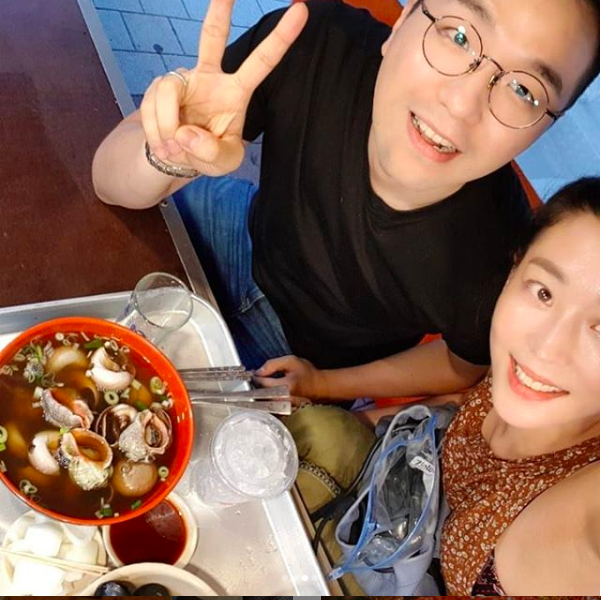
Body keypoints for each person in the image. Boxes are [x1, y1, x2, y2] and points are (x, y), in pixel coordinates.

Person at [92, 0, 599, 403]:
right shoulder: (316, 41)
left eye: (524, 91)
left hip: (297, 360)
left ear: (542, 130)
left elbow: (461, 365)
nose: (460, 104)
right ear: (403, 21)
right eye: (459, 36)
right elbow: (106, 181)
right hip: (238, 226)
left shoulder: (497, 256)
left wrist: (323, 384)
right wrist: (172, 154)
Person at [438, 177, 600, 595]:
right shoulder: (514, 372)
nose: (545, 348)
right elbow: (461, 397)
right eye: (544, 293)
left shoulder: (582, 501)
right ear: (515, 268)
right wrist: (322, 388)